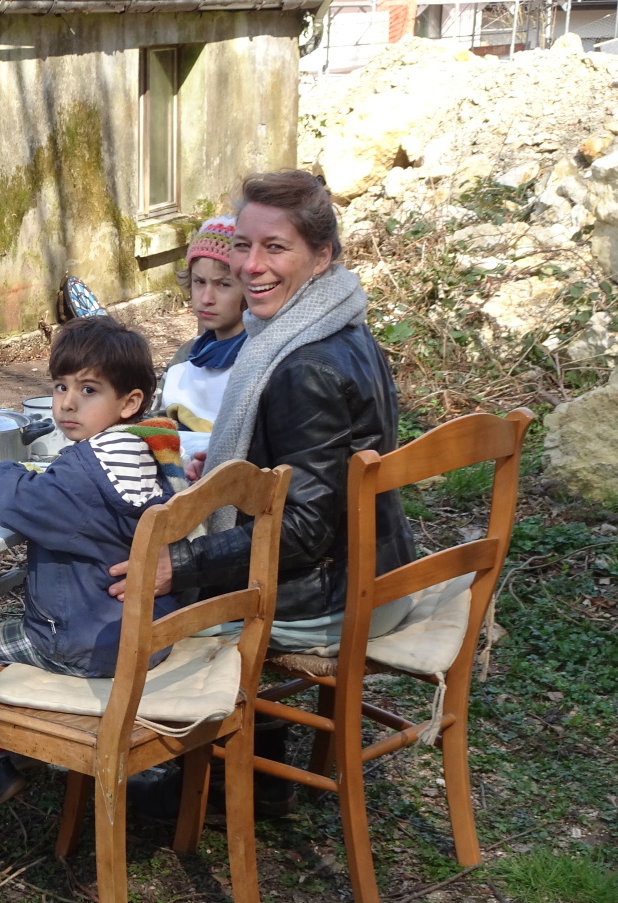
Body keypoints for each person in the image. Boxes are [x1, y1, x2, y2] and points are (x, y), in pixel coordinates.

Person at [109, 169, 415, 815]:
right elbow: (314, 477)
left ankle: (211, 776)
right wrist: (231, 473)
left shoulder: (304, 365)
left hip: (333, 593)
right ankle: (251, 762)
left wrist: (179, 566)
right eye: (243, 245)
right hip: (371, 566)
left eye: (275, 247)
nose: (251, 265)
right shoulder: (339, 321)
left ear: (321, 255)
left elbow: (301, 531)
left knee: (153, 606)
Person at [0, 315, 181, 820]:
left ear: (130, 402)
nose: (67, 403)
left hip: (91, 644)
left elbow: (19, 503)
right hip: (151, 632)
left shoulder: (85, 473)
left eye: (88, 389)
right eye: (60, 386)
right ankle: (28, 747)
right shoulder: (150, 449)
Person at [157, 216, 248, 437]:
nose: (206, 298)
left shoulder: (256, 361)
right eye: (199, 282)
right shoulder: (186, 355)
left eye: (223, 284)